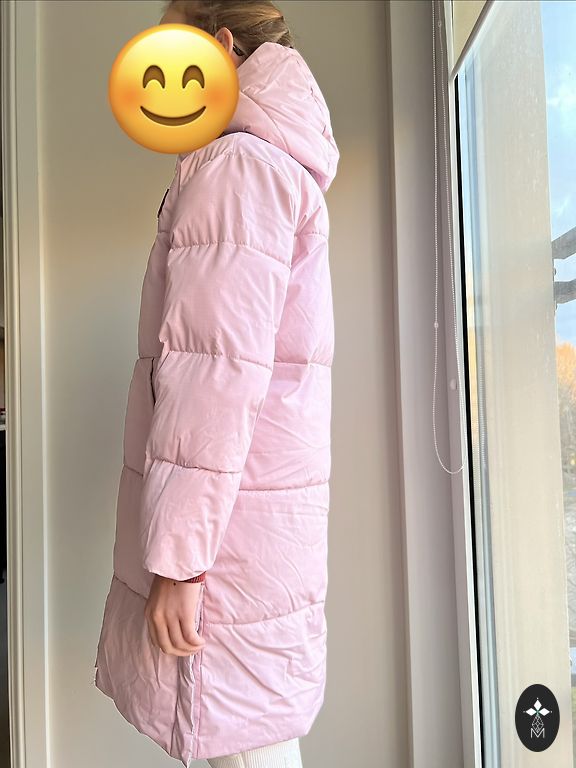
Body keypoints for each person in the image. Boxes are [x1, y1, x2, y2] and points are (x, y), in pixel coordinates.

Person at [93, 2, 339, 767]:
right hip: (249, 533)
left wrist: (181, 561)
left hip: (224, 551)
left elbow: (214, 378)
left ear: (222, 48)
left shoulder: (239, 167)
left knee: (244, 745)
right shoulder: (269, 161)